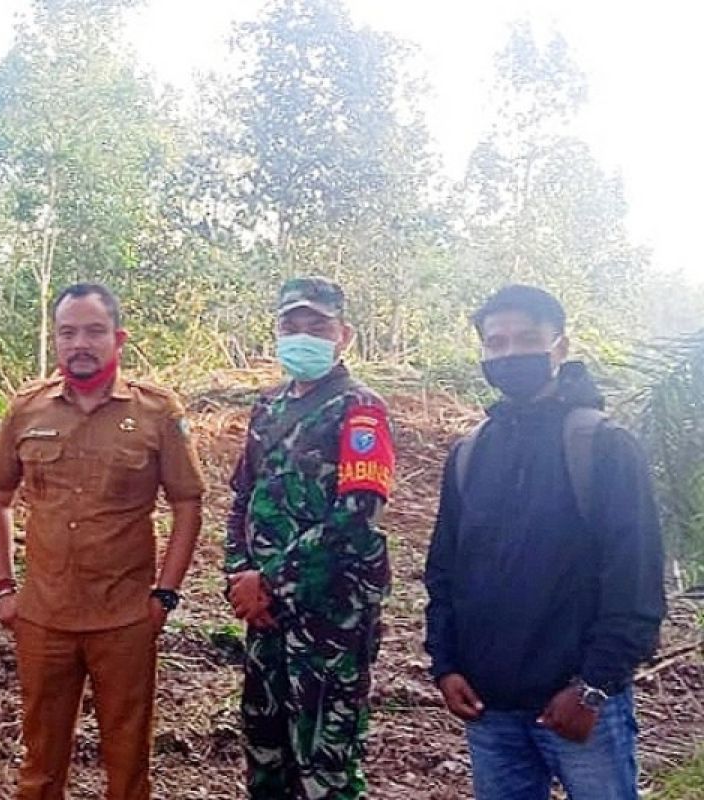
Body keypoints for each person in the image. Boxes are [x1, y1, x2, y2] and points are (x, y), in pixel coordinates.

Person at [424, 284, 666, 800]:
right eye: (497, 343)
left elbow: (636, 581)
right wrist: (445, 666)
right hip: (490, 710)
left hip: (580, 707)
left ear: (560, 346)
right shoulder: (470, 453)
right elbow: (445, 571)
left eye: (527, 339)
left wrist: (594, 687)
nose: (511, 353)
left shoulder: (603, 446)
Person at [0, 282, 205, 800]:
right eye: (68, 332)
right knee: (40, 766)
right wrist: (4, 587)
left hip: (124, 619)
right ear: (56, 340)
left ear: (118, 338)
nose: (80, 343)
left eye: (94, 331)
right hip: (43, 618)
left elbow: (188, 503)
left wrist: (164, 595)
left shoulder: (156, 412)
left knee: (128, 768)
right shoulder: (27, 409)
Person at [224, 277, 395, 800]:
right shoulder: (268, 408)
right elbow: (242, 498)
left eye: (317, 325)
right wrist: (240, 580)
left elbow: (357, 514)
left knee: (324, 758)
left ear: (343, 334)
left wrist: (272, 581)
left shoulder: (360, 409)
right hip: (264, 613)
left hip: (330, 613)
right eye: (291, 325)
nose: (303, 334)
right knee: (266, 747)